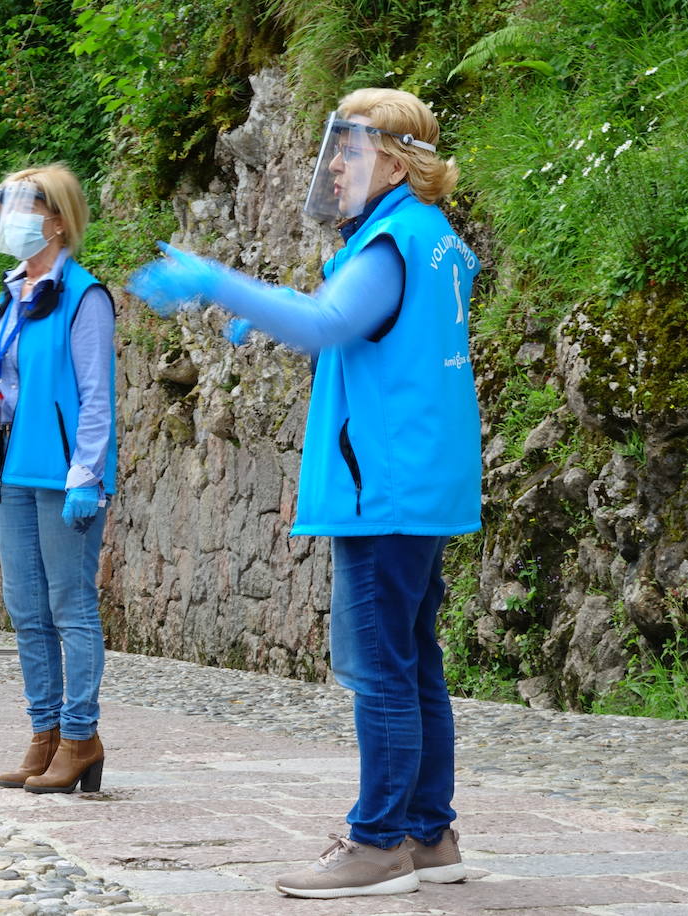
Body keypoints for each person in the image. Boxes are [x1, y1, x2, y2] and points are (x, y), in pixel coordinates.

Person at [128, 87, 480, 899]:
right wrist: (273, 309)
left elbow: (328, 324)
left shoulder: (391, 241)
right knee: (415, 660)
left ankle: (378, 841)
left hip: (383, 488)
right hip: (420, 480)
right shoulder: (433, 240)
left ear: (392, 160)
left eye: (349, 150)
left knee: (380, 669)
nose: (334, 164)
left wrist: (216, 281)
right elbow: (344, 317)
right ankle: (430, 834)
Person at [0, 163, 117, 794]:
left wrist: (88, 475)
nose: (12, 219)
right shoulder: (15, 292)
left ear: (56, 218)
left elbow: (95, 396)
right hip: (16, 474)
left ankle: (81, 737)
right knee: (26, 610)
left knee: (70, 608)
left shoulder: (84, 296)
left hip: (64, 476)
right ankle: (43, 733)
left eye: (24, 206)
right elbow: (3, 389)